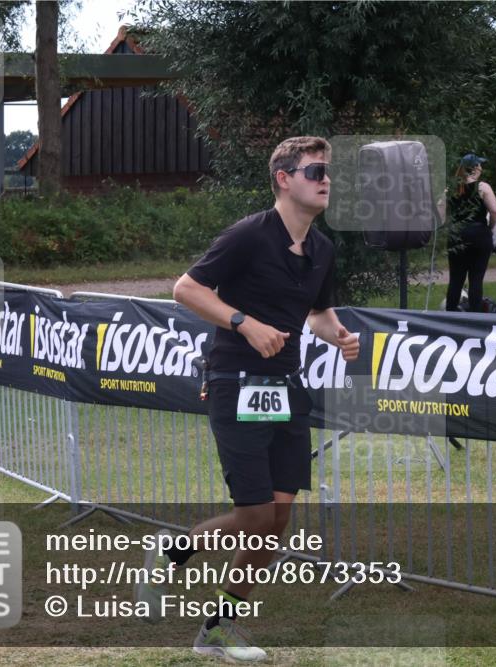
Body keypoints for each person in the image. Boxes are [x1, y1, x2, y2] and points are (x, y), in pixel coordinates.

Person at [136, 136, 360, 662]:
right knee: (256, 516)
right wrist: (244, 322)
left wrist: (340, 336)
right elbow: (186, 289)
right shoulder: (248, 235)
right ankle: (170, 552)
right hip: (236, 381)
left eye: (329, 171)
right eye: (316, 170)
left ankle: (216, 628)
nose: (326, 179)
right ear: (284, 178)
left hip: (287, 386)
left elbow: (319, 315)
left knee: (277, 522)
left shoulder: (322, 249)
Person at [444, 153, 496, 312]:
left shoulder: (452, 188)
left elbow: (440, 212)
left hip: (457, 235)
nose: (481, 168)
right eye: (479, 165)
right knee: (476, 278)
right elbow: (495, 211)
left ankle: (450, 314)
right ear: (474, 169)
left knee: (455, 279)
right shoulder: (482, 187)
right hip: (479, 234)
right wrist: (490, 228)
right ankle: (475, 317)